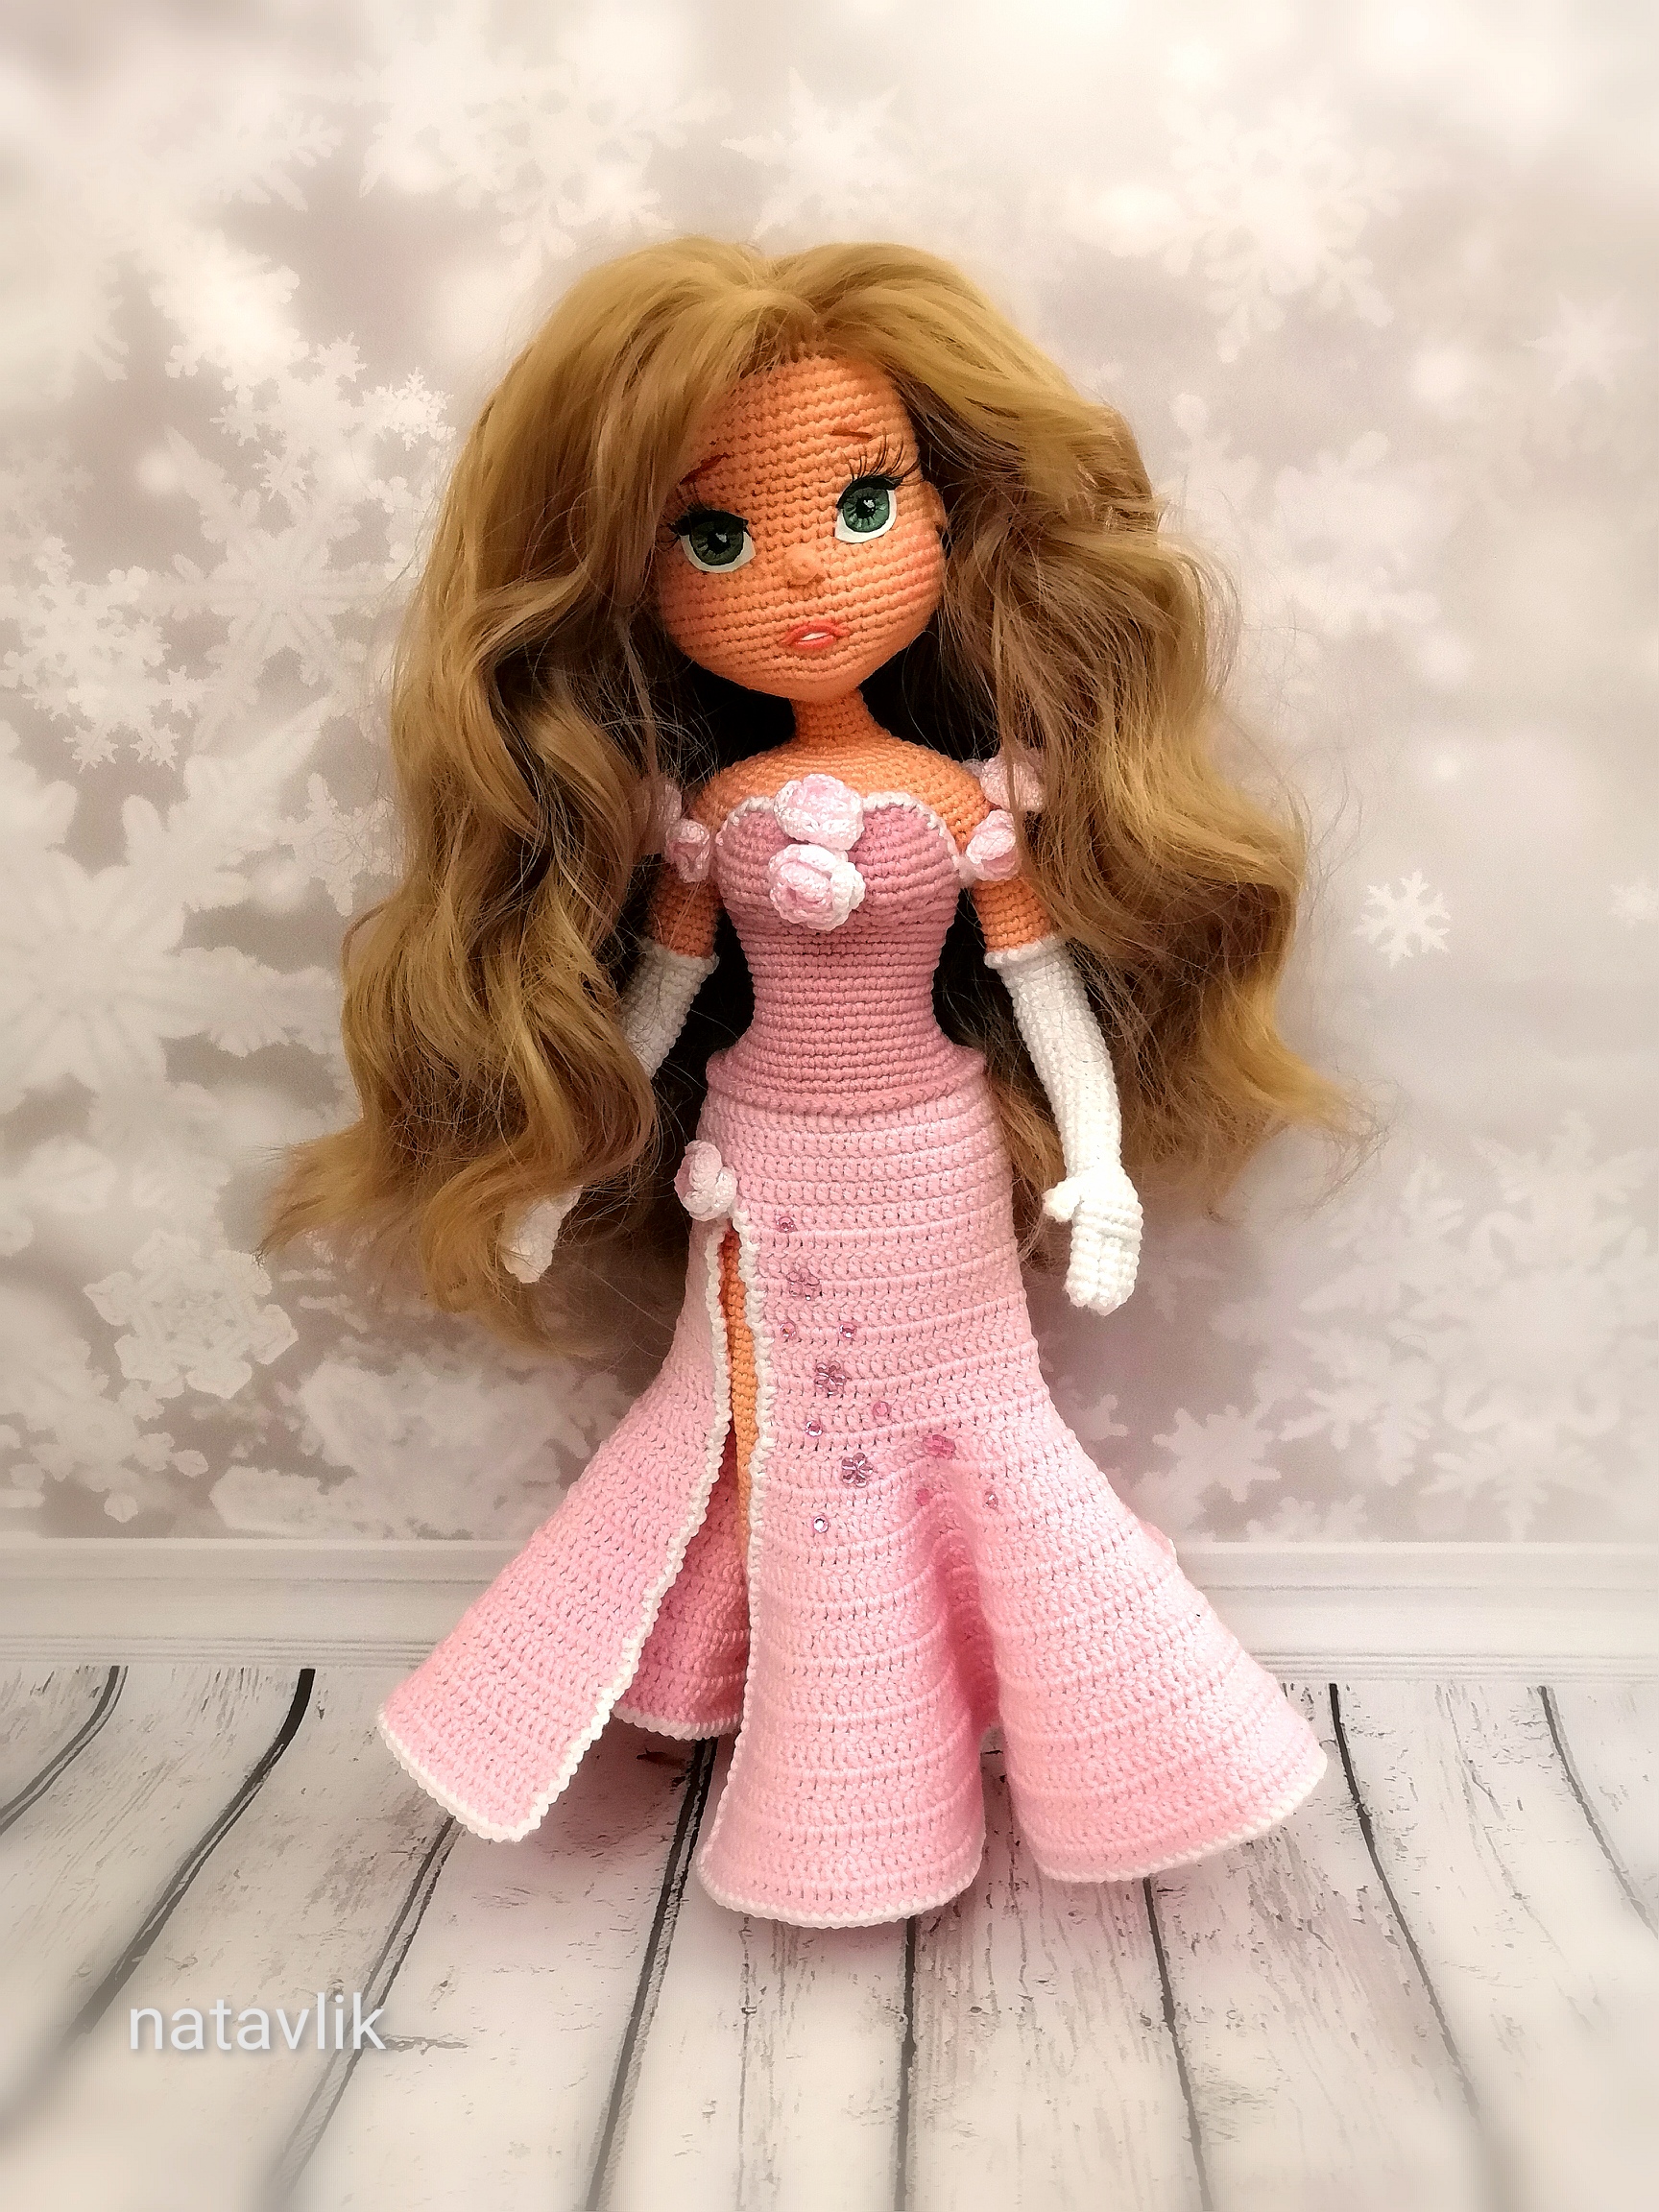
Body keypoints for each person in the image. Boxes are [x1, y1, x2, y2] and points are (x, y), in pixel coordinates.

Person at [267, 238, 1353, 1927]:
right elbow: (657, 1002)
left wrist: (1099, 1165)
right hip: (758, 1155)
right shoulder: (710, 820)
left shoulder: (965, 803)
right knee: (755, 1427)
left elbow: (1042, 989)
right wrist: (562, 1163)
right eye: (715, 537)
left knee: (970, 1431)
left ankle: (1024, 1745)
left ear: (944, 516)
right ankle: (788, 1723)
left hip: (927, 1166)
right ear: (646, 578)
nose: (797, 578)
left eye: (858, 505)